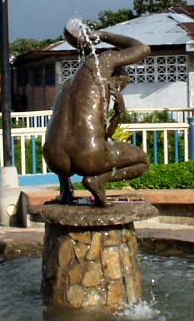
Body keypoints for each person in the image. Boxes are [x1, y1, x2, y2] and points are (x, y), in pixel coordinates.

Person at [43, 24, 150, 207]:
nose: (121, 87)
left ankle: (65, 191)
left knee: (68, 139)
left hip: (54, 157)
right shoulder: (103, 63)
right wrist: (103, 35)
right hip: (88, 155)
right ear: (117, 76)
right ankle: (99, 180)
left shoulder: (69, 83)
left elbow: (68, 128)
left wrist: (119, 111)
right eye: (123, 83)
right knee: (143, 161)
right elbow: (142, 48)